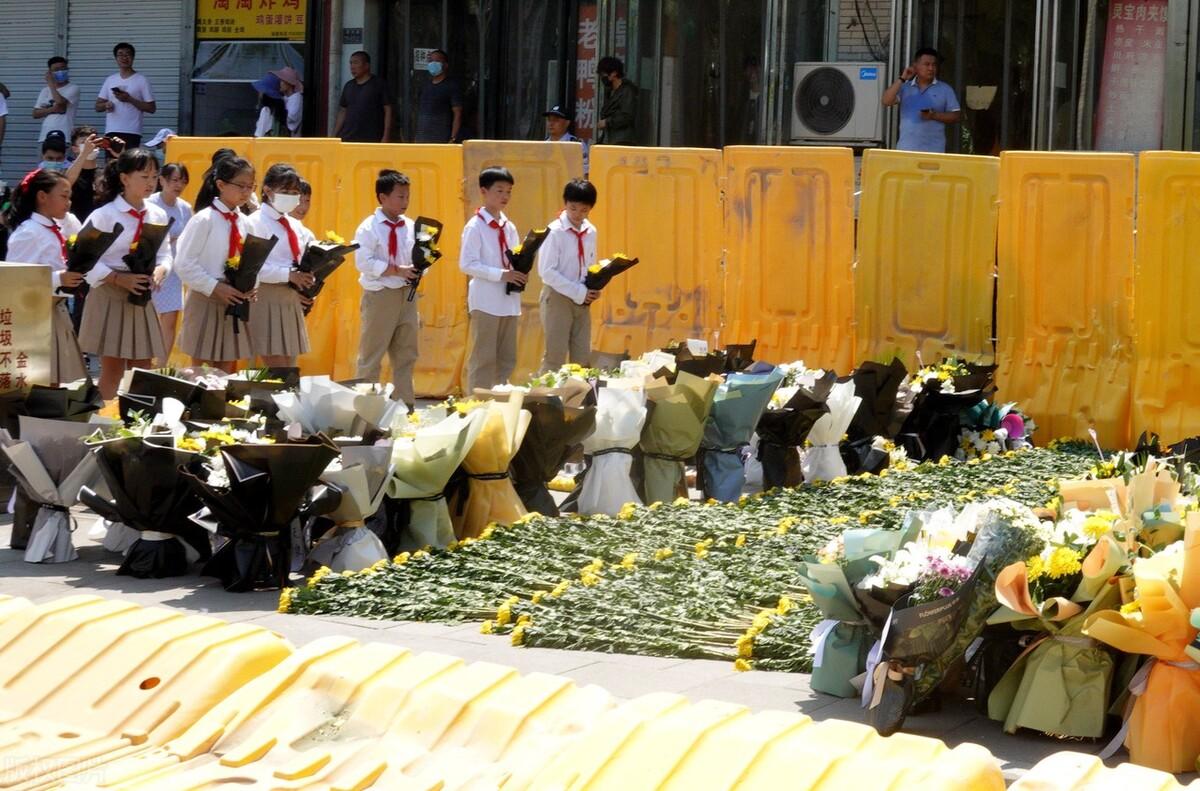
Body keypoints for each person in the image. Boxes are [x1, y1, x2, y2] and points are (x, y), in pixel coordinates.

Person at [78, 148, 170, 398]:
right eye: (144, 176)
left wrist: (161, 270)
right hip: (110, 293)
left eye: (154, 176)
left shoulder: (158, 214)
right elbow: (82, 259)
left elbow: (165, 253)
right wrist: (118, 278)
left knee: (143, 367)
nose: (151, 182)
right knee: (113, 368)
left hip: (141, 295)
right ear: (125, 178)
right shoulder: (104, 215)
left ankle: (138, 421)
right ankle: (105, 423)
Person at [173, 156, 257, 373]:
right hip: (206, 297)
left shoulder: (245, 222)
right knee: (200, 369)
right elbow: (184, 264)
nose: (246, 192)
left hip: (233, 299)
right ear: (220, 184)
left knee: (225, 368)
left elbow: (251, 262)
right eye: (241, 186)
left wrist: (251, 287)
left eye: (251, 186)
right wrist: (215, 287)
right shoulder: (204, 219)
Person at [5, 168, 87, 384]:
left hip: (55, 311)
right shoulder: (28, 232)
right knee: (37, 382)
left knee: (56, 380)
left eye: (70, 197)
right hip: (33, 317)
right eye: (63, 196)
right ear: (42, 196)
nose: (68, 202)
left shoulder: (58, 226)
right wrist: (59, 279)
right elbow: (14, 281)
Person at [353, 170, 419, 406]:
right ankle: (366, 408)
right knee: (372, 354)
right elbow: (363, 261)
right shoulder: (369, 227)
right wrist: (395, 269)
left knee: (406, 353)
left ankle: (405, 404)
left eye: (407, 196)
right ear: (383, 197)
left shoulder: (411, 226)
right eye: (400, 196)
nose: (405, 202)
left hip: (406, 294)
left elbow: (420, 256)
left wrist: (419, 268)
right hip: (380, 295)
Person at [460, 166, 523, 391]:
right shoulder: (475, 226)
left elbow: (514, 257)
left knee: (507, 358)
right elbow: (467, 264)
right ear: (483, 191)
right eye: (499, 191)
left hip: (508, 300)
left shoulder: (509, 226)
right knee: (483, 357)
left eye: (508, 192)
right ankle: (476, 405)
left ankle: (500, 400)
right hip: (486, 300)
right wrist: (500, 274)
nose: (505, 196)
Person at [246, 164, 313, 368]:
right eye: (285, 192)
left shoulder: (295, 225)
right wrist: (288, 275)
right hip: (265, 296)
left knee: (290, 366)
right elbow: (252, 267)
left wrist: (308, 278)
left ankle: (279, 400)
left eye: (295, 193)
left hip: (290, 298)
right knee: (277, 368)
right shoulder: (255, 222)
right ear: (267, 190)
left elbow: (301, 259)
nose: (291, 197)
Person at [538, 179, 600, 372]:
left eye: (584, 210)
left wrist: (594, 286)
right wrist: (578, 292)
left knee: (581, 358)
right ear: (565, 203)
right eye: (573, 208)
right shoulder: (555, 231)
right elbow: (546, 271)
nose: (578, 215)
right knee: (555, 356)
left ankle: (575, 400)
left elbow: (590, 264)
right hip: (558, 297)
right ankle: (543, 399)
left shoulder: (590, 231)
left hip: (582, 299)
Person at [147, 163, 192, 364]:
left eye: (183, 181)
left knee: (170, 319)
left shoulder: (185, 208)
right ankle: (144, 362)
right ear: (162, 180)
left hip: (174, 269)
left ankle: (161, 365)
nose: (179, 185)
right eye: (174, 180)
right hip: (150, 265)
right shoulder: (150, 204)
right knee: (148, 318)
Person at [882, 47, 962, 154]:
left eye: (934, 65)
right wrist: (902, 78)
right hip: (906, 150)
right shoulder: (905, 87)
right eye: (927, 64)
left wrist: (934, 115)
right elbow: (886, 101)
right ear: (915, 66)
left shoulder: (945, 89)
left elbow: (956, 116)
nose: (931, 68)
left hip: (934, 152)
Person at [95, 42, 156, 151]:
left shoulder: (141, 80)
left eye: (128, 54)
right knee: (111, 164)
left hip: (132, 131)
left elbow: (151, 108)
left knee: (129, 165)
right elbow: (97, 106)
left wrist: (129, 99)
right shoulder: (110, 79)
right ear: (116, 58)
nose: (124, 57)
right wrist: (106, 105)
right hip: (111, 130)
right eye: (120, 55)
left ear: (133, 57)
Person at [333, 51, 392, 143]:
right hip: (347, 137)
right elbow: (343, 111)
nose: (352, 67)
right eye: (351, 63)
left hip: (371, 138)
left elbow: (388, 110)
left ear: (366, 65)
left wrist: (386, 136)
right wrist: (334, 136)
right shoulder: (348, 86)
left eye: (356, 63)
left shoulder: (378, 84)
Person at [414, 49, 462, 143]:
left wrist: (453, 138)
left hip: (442, 139)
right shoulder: (425, 86)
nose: (433, 64)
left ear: (445, 65)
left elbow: (458, 114)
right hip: (422, 138)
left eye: (437, 61)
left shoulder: (451, 86)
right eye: (431, 61)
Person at [33, 57, 81, 147]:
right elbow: (35, 113)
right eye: (56, 69)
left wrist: (51, 84)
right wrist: (52, 109)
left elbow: (60, 103)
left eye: (63, 68)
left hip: (64, 136)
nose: (60, 72)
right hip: (45, 136)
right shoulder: (44, 91)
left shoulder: (73, 88)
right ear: (50, 72)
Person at [596, 56, 637, 145]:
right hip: (610, 138)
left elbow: (627, 116)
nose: (602, 78)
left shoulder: (627, 91)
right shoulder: (610, 91)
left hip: (622, 140)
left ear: (614, 73)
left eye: (603, 75)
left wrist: (607, 122)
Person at [544, 105, 589, 176]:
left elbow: (585, 173)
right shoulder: (542, 145)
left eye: (556, 120)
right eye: (549, 120)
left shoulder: (577, 145)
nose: (551, 123)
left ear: (567, 123)